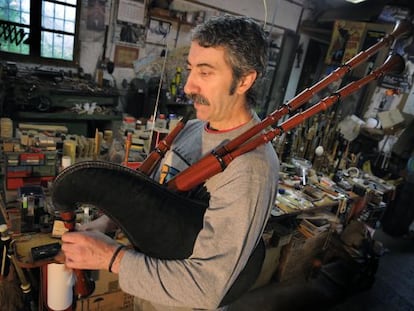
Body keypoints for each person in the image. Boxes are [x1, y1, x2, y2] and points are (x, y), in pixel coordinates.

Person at [60, 15, 280, 311]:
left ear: (244, 80)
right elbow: (156, 201)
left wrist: (111, 258)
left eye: (205, 73)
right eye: (190, 70)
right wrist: (107, 223)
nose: (189, 86)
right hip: (150, 298)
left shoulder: (251, 168)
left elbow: (207, 287)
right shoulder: (192, 129)